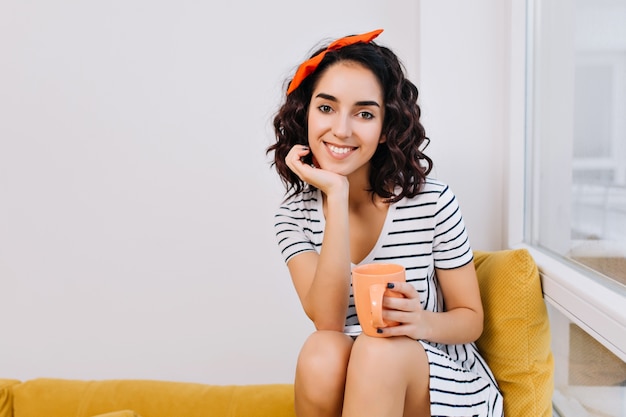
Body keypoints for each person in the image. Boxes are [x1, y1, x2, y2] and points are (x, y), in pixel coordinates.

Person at [266, 28, 503, 417]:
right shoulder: (294, 216)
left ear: (385, 125)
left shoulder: (430, 200)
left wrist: (420, 321)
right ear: (304, 113)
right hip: (357, 374)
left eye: (364, 113)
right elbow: (327, 321)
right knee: (320, 351)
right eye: (326, 108)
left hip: (440, 379)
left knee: (378, 353)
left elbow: (470, 319)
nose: (341, 130)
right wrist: (337, 196)